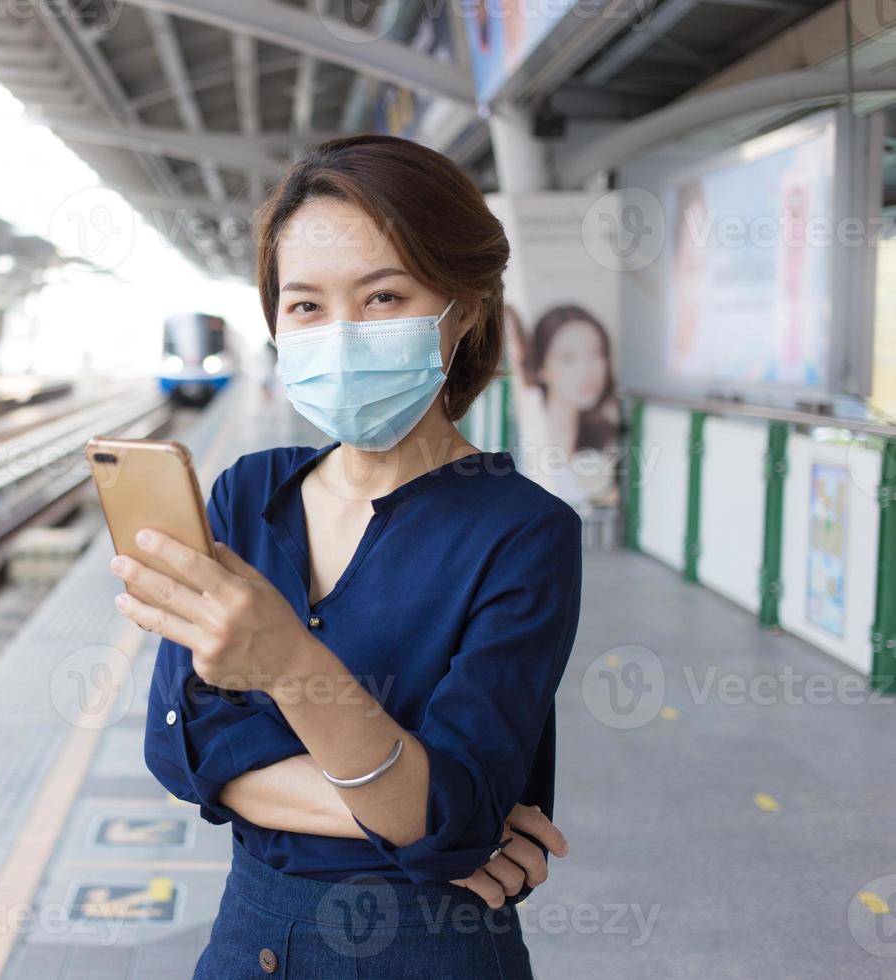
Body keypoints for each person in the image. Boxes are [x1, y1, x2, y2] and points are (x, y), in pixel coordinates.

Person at [108, 135, 581, 978]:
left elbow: (446, 810)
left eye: (383, 296)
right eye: (306, 307)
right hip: (246, 942)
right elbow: (179, 747)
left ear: (464, 307)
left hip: (429, 950)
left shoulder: (523, 533)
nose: (342, 334)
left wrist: (288, 666)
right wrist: (428, 819)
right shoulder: (247, 497)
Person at [504, 303, 621, 507]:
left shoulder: (607, 439)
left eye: (596, 353)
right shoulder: (518, 433)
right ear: (540, 367)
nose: (587, 370)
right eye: (568, 358)